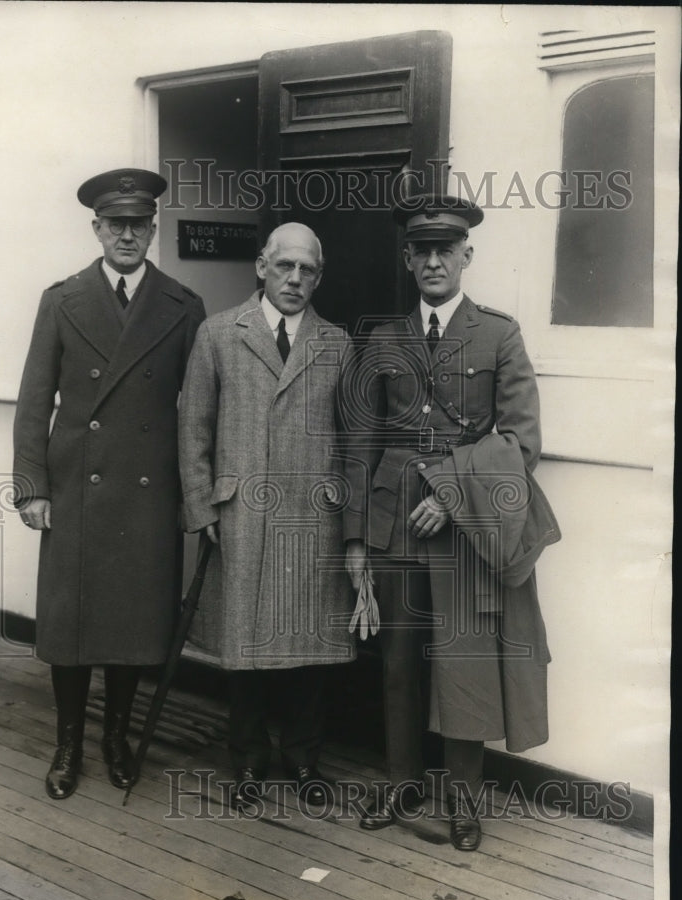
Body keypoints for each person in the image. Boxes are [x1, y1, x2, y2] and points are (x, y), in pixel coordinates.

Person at [342, 194, 559, 849]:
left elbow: (521, 440)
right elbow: (361, 444)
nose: (434, 260)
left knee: (463, 664)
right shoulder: (381, 339)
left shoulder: (499, 333)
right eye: (422, 250)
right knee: (401, 664)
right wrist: (355, 539)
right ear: (408, 259)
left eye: (446, 248)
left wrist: (455, 492)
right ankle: (405, 784)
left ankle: (464, 802)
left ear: (468, 255)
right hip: (395, 524)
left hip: (464, 529)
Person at [13, 168, 205, 800]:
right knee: (70, 628)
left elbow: (197, 410)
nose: (127, 234)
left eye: (139, 224)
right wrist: (32, 486)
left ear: (154, 229)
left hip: (148, 493)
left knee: (132, 625)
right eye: (115, 224)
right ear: (96, 228)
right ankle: (68, 743)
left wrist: (193, 495)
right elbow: (34, 400)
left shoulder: (182, 305)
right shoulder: (61, 300)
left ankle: (115, 737)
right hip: (76, 488)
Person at [178, 222, 363, 811]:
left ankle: (304, 759)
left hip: (313, 518)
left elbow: (353, 437)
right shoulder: (218, 334)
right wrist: (202, 503)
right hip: (244, 516)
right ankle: (250, 760)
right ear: (261, 266)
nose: (295, 279)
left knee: (309, 646)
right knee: (248, 648)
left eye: (307, 270)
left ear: (318, 278)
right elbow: (194, 429)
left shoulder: (337, 344)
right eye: (285, 266)